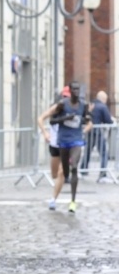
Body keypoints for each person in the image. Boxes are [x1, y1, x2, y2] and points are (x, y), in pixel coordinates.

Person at [38, 81, 92, 212]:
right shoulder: (58, 107)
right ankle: (57, 190)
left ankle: (54, 200)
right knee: (55, 174)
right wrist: (45, 133)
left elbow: (89, 122)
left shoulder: (79, 106)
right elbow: (41, 118)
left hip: (72, 142)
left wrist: (81, 132)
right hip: (56, 144)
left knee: (63, 172)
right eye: (66, 96)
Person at [81, 90, 114, 182]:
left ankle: (83, 170)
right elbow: (108, 120)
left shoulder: (90, 105)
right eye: (106, 99)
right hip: (98, 132)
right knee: (104, 153)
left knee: (87, 151)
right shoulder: (102, 107)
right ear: (103, 98)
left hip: (89, 131)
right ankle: (103, 173)